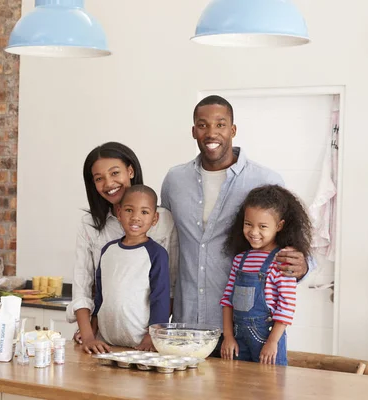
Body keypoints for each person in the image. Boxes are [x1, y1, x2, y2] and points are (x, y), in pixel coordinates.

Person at [160, 95, 314, 356]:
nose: (211, 132)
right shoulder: (174, 180)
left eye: (220, 124)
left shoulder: (265, 179)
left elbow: (295, 243)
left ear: (233, 130)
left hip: (245, 333)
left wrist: (303, 266)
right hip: (187, 328)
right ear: (193, 131)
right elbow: (166, 244)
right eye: (203, 124)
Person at [67, 142, 178, 354]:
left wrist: (153, 335)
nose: (108, 183)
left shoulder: (164, 221)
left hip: (145, 342)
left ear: (130, 171)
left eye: (115, 172)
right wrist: (89, 335)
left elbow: (168, 288)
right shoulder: (89, 225)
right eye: (99, 178)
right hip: (103, 342)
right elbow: (84, 286)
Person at [220, 185, 312, 365]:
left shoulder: (282, 260)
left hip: (268, 339)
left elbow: (286, 307)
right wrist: (228, 337)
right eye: (248, 224)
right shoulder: (240, 260)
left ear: (279, 226)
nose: (254, 232)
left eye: (262, 226)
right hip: (238, 339)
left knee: (270, 389)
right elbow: (227, 301)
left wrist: (272, 342)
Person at [84, 185, 170, 352]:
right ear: (119, 212)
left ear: (154, 218)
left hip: (140, 345)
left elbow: (160, 297)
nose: (136, 217)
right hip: (106, 343)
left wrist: (153, 335)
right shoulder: (107, 251)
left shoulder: (156, 254)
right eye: (129, 210)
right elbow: (100, 296)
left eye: (144, 212)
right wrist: (91, 331)